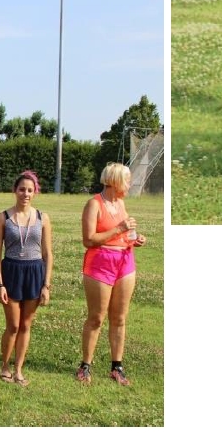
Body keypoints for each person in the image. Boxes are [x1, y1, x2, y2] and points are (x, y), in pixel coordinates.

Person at [77, 162, 146, 386]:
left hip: (125, 262)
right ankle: (85, 366)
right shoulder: (94, 205)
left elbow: (124, 233)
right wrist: (120, 229)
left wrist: (134, 238)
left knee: (119, 318)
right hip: (100, 264)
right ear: (116, 181)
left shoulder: (121, 203)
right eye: (127, 180)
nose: (130, 184)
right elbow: (89, 240)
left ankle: (117, 367)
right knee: (96, 318)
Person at [0, 170, 53, 387]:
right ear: (14, 191)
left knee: (26, 325)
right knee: (13, 325)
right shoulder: (3, 217)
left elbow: (48, 254)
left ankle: (19, 369)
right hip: (11, 272)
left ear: (35, 192)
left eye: (30, 190)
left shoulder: (42, 218)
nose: (25, 194)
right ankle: (5, 366)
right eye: (21, 189)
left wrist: (46, 285)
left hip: (35, 272)